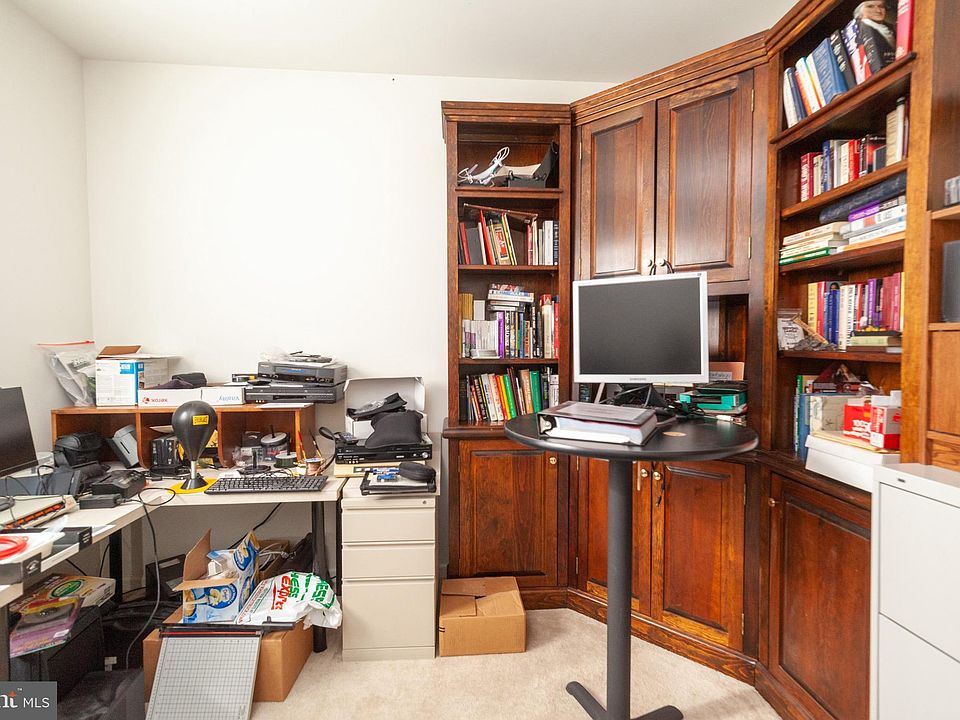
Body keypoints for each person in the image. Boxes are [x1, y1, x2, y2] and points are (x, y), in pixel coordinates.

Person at [854, 1, 896, 67]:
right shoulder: (860, 33)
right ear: (860, 14)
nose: (878, 11)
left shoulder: (892, 28)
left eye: (881, 6)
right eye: (870, 6)